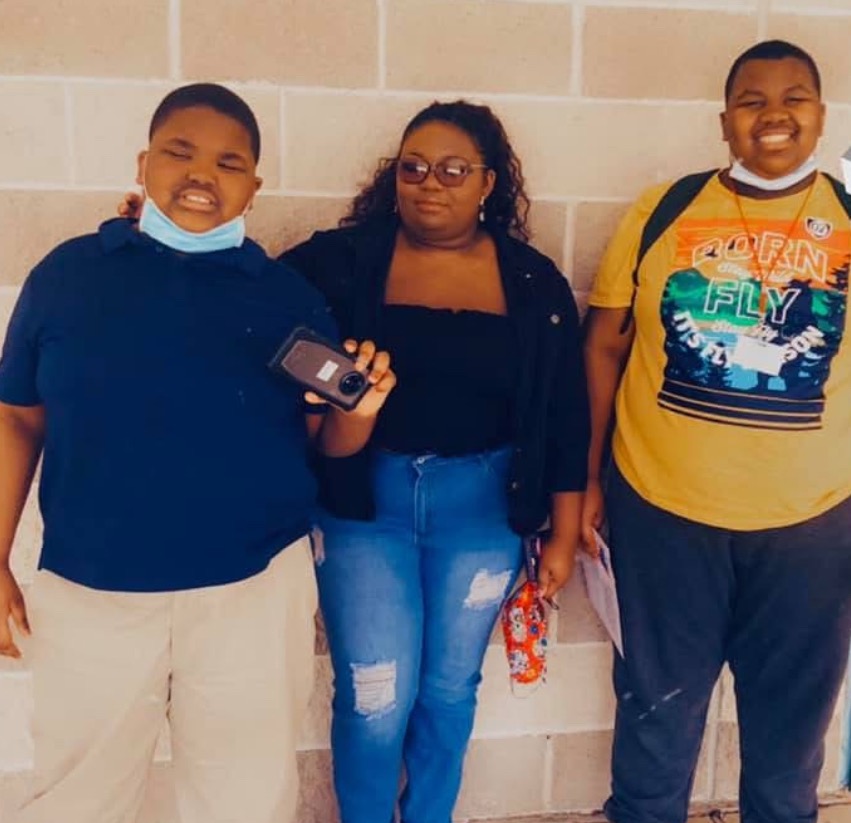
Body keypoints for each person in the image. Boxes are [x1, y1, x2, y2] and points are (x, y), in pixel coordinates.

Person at [0, 82, 393, 823]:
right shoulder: (69, 276)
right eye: (179, 153)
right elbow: (18, 417)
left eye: (228, 162)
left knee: (244, 799)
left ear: (254, 187)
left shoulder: (286, 297)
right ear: (143, 163)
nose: (202, 175)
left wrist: (361, 411)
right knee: (77, 797)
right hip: (93, 589)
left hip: (252, 590)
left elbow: (327, 443)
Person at [279, 100, 590, 823]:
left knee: (449, 692)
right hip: (363, 508)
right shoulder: (338, 263)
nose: (429, 183)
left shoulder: (532, 283)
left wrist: (565, 531)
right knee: (375, 695)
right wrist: (157, 238)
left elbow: (565, 413)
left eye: (453, 170)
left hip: (481, 510)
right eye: (413, 168)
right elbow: (247, 301)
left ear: (488, 183)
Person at [582, 40, 851, 823]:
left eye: (793, 98)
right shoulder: (662, 210)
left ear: (820, 115)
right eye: (750, 100)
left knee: (788, 743)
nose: (772, 114)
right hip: (661, 515)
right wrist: (588, 476)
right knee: (654, 724)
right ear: (723, 121)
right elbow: (602, 347)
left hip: (812, 527)